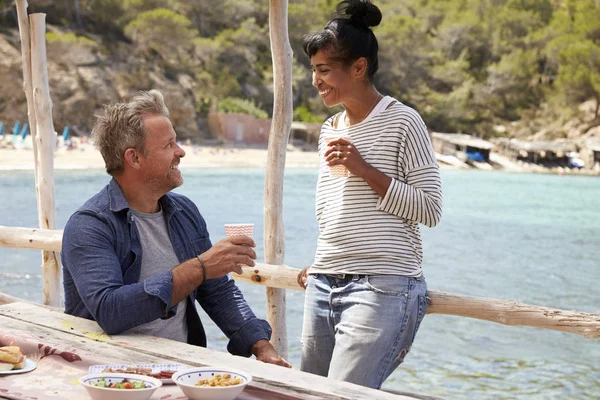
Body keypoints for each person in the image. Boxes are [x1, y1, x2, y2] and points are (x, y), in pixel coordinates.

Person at [61, 89, 290, 367]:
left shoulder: (184, 212)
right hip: (107, 372)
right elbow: (110, 311)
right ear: (134, 158)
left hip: (181, 369)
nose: (181, 152)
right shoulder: (89, 225)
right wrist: (199, 267)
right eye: (169, 144)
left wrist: (262, 347)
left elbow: (217, 291)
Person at [296, 0, 443, 389]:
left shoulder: (403, 120)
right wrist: (321, 264)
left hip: (383, 286)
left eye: (324, 70)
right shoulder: (330, 128)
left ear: (358, 67)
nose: (315, 80)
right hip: (324, 281)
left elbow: (430, 208)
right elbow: (332, 211)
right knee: (306, 395)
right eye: (314, 70)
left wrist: (364, 169)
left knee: (339, 396)